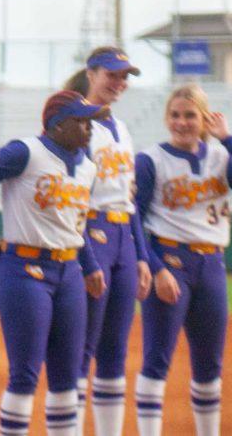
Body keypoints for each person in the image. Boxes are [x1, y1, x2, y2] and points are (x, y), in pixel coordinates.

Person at [0, 90, 105, 436]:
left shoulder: (87, 166)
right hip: (25, 270)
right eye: (81, 121)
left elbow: (76, 223)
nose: (89, 129)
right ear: (57, 124)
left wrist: (90, 266)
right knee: (25, 373)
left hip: (69, 270)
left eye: (91, 122)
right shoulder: (25, 152)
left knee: (67, 377)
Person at [133, 85, 232, 436]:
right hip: (171, 261)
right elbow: (133, 221)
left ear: (204, 118)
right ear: (166, 118)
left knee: (209, 365)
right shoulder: (151, 160)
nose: (181, 122)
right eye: (175, 115)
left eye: (190, 115)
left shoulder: (220, 157)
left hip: (211, 266)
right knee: (156, 360)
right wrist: (156, 268)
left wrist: (228, 138)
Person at [64, 48, 151, 436]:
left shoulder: (121, 126)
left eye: (124, 77)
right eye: (111, 75)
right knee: (82, 348)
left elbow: (129, 199)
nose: (118, 83)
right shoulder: (76, 123)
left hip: (123, 237)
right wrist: (85, 258)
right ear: (91, 73)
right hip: (93, 232)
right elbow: (72, 197)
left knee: (115, 349)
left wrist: (143, 256)